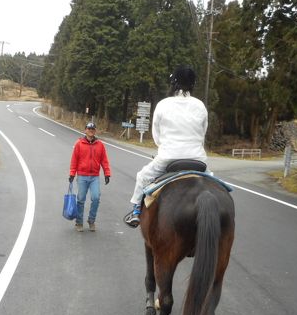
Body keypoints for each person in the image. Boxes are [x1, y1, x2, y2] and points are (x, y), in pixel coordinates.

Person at [124, 66, 208, 227]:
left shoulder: (163, 104)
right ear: (192, 84)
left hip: (169, 158)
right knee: (215, 181)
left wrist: (165, 145)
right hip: (198, 160)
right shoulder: (200, 105)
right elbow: (203, 132)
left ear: (173, 83)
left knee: (142, 176)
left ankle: (135, 211)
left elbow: (157, 136)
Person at [69, 122, 111, 232]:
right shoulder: (79, 144)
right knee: (81, 200)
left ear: (95, 131)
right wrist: (72, 174)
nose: (91, 130)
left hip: (94, 177)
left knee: (96, 198)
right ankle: (79, 222)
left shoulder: (100, 145)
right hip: (82, 176)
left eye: (93, 129)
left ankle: (91, 220)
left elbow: (104, 161)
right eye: (89, 128)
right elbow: (74, 160)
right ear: (85, 130)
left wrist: (107, 174)